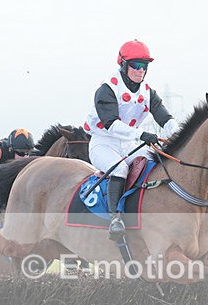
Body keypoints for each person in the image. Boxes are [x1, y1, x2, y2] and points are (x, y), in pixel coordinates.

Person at [83, 39, 180, 239]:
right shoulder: (107, 88)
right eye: (136, 65)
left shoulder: (147, 92)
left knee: (157, 162)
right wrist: (141, 134)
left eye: (144, 66)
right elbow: (111, 123)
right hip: (103, 142)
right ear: (124, 65)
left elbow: (164, 117)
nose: (140, 71)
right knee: (120, 169)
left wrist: (179, 134)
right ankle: (115, 219)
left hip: (128, 144)